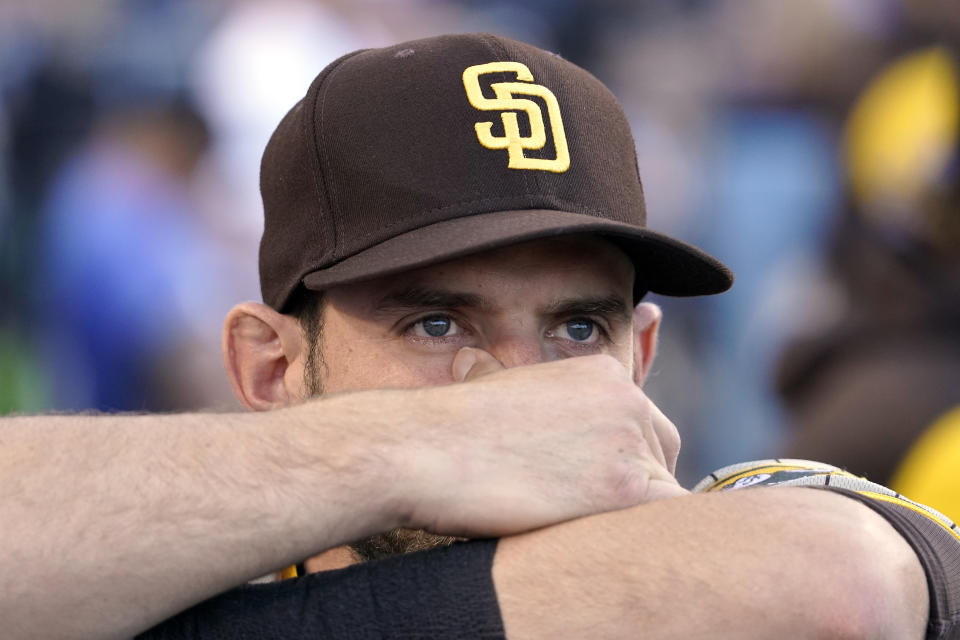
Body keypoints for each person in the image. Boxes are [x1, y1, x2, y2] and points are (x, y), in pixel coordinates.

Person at [2, 34, 956, 640]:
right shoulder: (138, 578)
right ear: (271, 367)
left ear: (645, 359)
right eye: (435, 321)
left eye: (580, 327)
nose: (527, 389)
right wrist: (433, 444)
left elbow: (845, 586)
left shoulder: (739, 544)